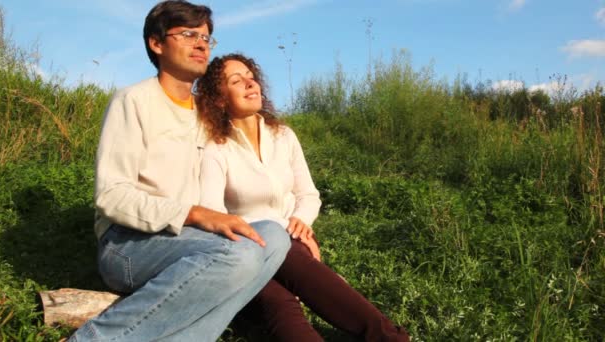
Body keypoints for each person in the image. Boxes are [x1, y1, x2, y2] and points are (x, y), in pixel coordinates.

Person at [69, 2, 290, 341]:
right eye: (188, 34)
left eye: (206, 37)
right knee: (241, 253)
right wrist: (194, 213)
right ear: (156, 44)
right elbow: (111, 196)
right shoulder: (134, 101)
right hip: (128, 244)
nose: (201, 44)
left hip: (191, 241)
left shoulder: (207, 114)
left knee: (273, 236)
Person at [196, 53, 410, 342]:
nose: (250, 83)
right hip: (247, 249)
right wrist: (260, 242)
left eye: (251, 76)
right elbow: (213, 214)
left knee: (289, 258)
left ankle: (389, 338)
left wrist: (301, 222)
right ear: (219, 99)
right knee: (278, 301)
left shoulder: (283, 136)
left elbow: (308, 194)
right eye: (237, 80)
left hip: (293, 241)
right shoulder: (216, 147)